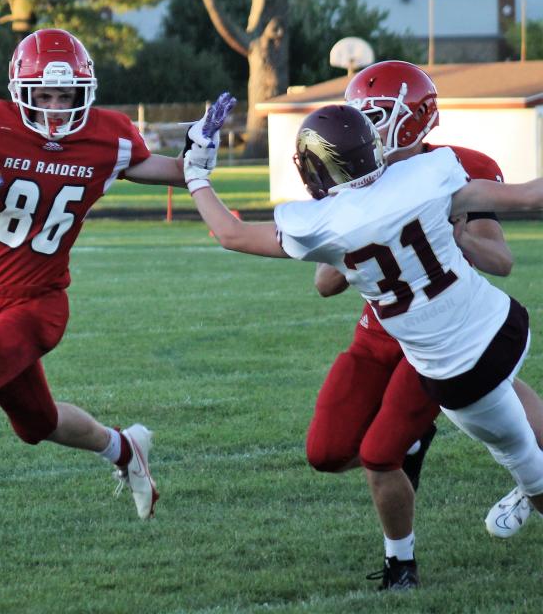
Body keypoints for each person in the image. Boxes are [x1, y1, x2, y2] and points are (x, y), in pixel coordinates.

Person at [0, 28, 230, 581]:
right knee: (38, 423)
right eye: (44, 95)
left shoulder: (108, 137)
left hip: (39, 303)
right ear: (19, 88)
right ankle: (124, 449)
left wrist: (200, 149)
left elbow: (177, 172)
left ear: (85, 91)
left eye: (66, 95)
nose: (55, 107)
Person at [183, 100, 543, 590]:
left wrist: (197, 174)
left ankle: (524, 487)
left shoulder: (324, 222)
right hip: (504, 324)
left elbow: (230, 233)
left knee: (529, 467)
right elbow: (523, 196)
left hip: (457, 369)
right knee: (513, 430)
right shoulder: (430, 171)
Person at [303, 61, 543, 589]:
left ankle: (401, 565)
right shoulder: (358, 175)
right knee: (326, 452)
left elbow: (501, 262)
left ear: (413, 120)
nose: (363, 130)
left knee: (387, 451)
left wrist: (452, 237)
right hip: (380, 333)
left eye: (375, 117)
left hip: (444, 336)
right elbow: (325, 282)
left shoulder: (456, 167)